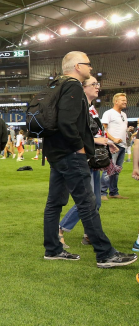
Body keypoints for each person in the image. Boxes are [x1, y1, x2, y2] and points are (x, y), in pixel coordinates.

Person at [42, 51, 136, 268]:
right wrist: (80, 149)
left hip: (56, 153)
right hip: (71, 154)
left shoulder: (55, 85)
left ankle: (53, 249)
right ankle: (105, 254)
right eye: (88, 65)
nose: (91, 68)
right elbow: (67, 122)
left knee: (54, 203)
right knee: (87, 203)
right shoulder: (73, 86)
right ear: (77, 67)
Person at [58, 75, 113, 248]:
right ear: (83, 87)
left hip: (92, 159)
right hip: (82, 158)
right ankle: (59, 229)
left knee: (95, 200)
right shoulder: (79, 108)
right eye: (94, 84)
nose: (98, 87)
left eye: (98, 84)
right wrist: (96, 141)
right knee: (87, 200)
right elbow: (72, 130)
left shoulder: (91, 109)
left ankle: (89, 233)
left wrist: (105, 142)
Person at [100, 92, 129, 200]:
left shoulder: (124, 115)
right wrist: (113, 139)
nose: (125, 102)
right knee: (108, 169)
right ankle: (102, 193)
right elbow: (104, 129)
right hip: (112, 145)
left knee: (117, 170)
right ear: (116, 101)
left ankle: (113, 192)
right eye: (123, 100)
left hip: (122, 145)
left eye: (125, 100)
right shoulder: (109, 113)